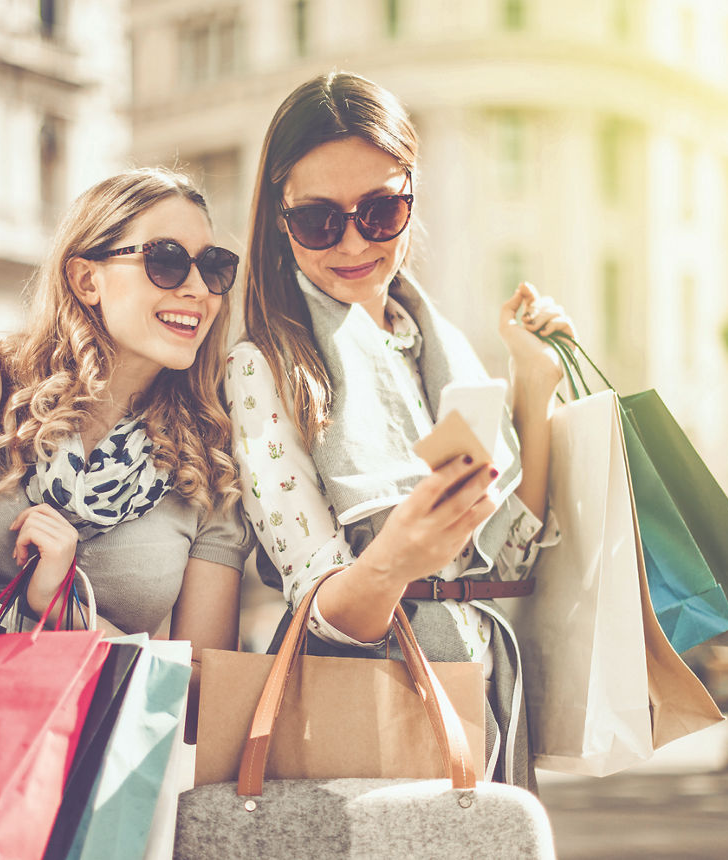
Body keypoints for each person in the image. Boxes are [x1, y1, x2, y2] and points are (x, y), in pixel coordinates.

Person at [227, 71, 574, 791]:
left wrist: (532, 380)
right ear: (277, 217)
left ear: (412, 201)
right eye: (318, 220)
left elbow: (507, 559)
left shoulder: (438, 346)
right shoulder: (263, 366)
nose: (352, 241)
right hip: (364, 712)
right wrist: (396, 557)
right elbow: (319, 606)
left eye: (381, 209)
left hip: (483, 687)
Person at [0, 168, 254, 702]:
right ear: (86, 280)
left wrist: (63, 609)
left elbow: (204, 697)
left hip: (83, 769)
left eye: (214, 267)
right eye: (167, 261)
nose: (198, 290)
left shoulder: (211, 465)